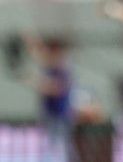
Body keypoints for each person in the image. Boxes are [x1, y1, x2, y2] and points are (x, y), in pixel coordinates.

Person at [20, 33, 77, 161]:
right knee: (51, 147)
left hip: (60, 115)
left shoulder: (63, 66)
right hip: (50, 113)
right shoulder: (51, 65)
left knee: (61, 148)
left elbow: (55, 88)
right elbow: (39, 56)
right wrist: (31, 42)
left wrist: (33, 81)